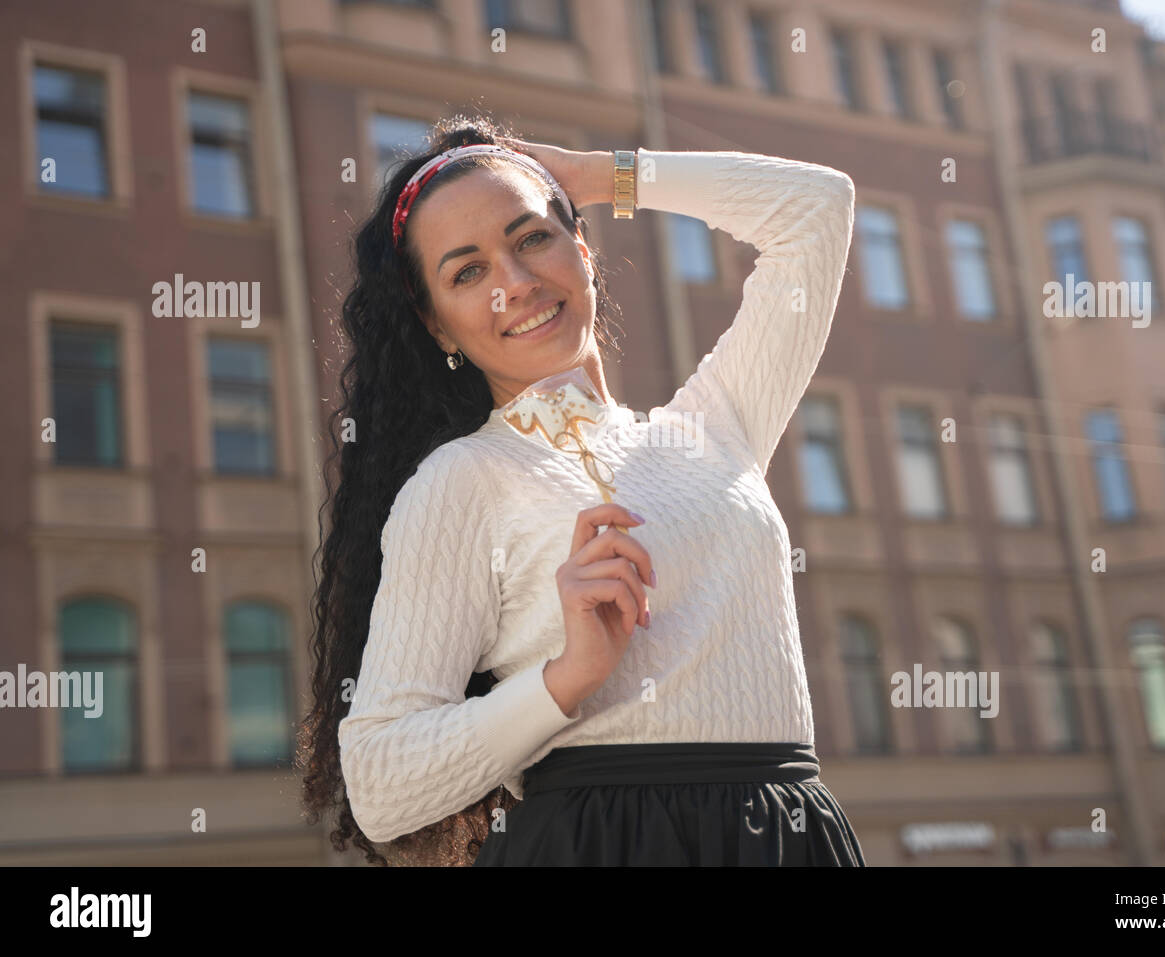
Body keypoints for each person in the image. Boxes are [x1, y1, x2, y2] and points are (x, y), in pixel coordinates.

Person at [299, 112, 865, 866]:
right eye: (467, 272)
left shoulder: (714, 426)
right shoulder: (459, 482)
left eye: (532, 236)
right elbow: (381, 783)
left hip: (788, 834)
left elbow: (817, 211)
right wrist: (563, 678)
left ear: (583, 248)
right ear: (438, 328)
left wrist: (601, 175)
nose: (516, 284)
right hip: (597, 843)